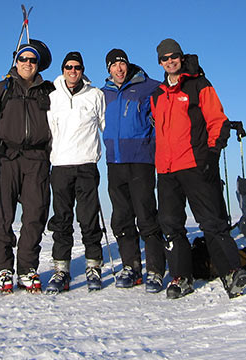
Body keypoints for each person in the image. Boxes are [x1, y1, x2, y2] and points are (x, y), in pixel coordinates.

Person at [150, 38, 246, 299]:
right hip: (167, 169)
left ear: (181, 58)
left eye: (174, 56)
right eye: (164, 58)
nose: (170, 61)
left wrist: (212, 154)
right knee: (171, 225)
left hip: (196, 164)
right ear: (160, 62)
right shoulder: (157, 95)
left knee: (212, 221)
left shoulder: (199, 85)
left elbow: (217, 119)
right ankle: (181, 277)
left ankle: (231, 271)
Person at [0, 39, 55, 294]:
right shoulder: (1, 89)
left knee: (35, 216)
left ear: (39, 65)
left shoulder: (48, 91)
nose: (27, 63)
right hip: (6, 158)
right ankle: (3, 268)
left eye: (33, 60)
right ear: (16, 61)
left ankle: (27, 269)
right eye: (23, 59)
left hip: (37, 160)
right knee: (3, 217)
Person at [101, 49, 166, 293]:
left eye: (122, 64)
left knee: (146, 215)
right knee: (121, 217)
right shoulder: (103, 93)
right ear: (108, 69)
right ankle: (131, 267)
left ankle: (156, 270)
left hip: (141, 160)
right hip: (114, 161)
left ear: (128, 65)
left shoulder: (149, 87)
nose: (119, 69)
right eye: (114, 65)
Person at [45, 52, 106, 293]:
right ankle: (61, 270)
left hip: (86, 165)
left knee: (89, 218)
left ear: (82, 70)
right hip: (60, 166)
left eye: (77, 67)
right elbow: (47, 131)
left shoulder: (95, 95)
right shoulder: (52, 96)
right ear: (63, 70)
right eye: (68, 67)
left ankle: (93, 266)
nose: (73, 71)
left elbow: (105, 126)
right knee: (62, 220)